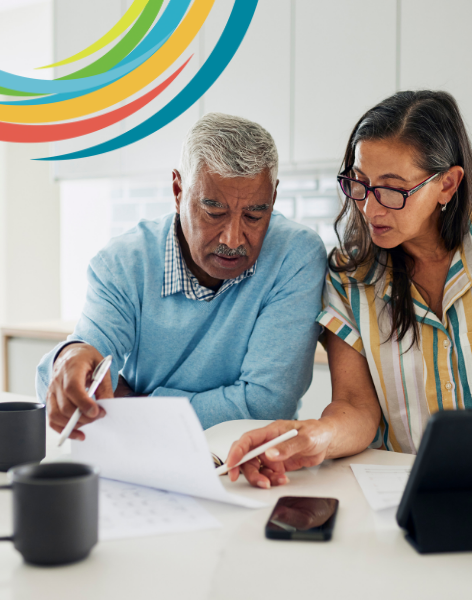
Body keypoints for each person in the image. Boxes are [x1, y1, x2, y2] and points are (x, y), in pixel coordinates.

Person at [224, 91, 472, 489]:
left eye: (392, 190)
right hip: (401, 488)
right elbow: (356, 407)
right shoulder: (348, 277)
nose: (370, 209)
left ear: (447, 185)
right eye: (360, 184)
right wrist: (314, 436)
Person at [37, 113, 327, 442]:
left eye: (254, 215)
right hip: (138, 453)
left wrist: (133, 405)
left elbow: (264, 406)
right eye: (214, 212)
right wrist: (71, 357)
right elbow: (81, 367)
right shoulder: (124, 262)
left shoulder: (295, 255)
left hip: (251, 460)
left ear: (273, 198)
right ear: (178, 190)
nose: (233, 239)